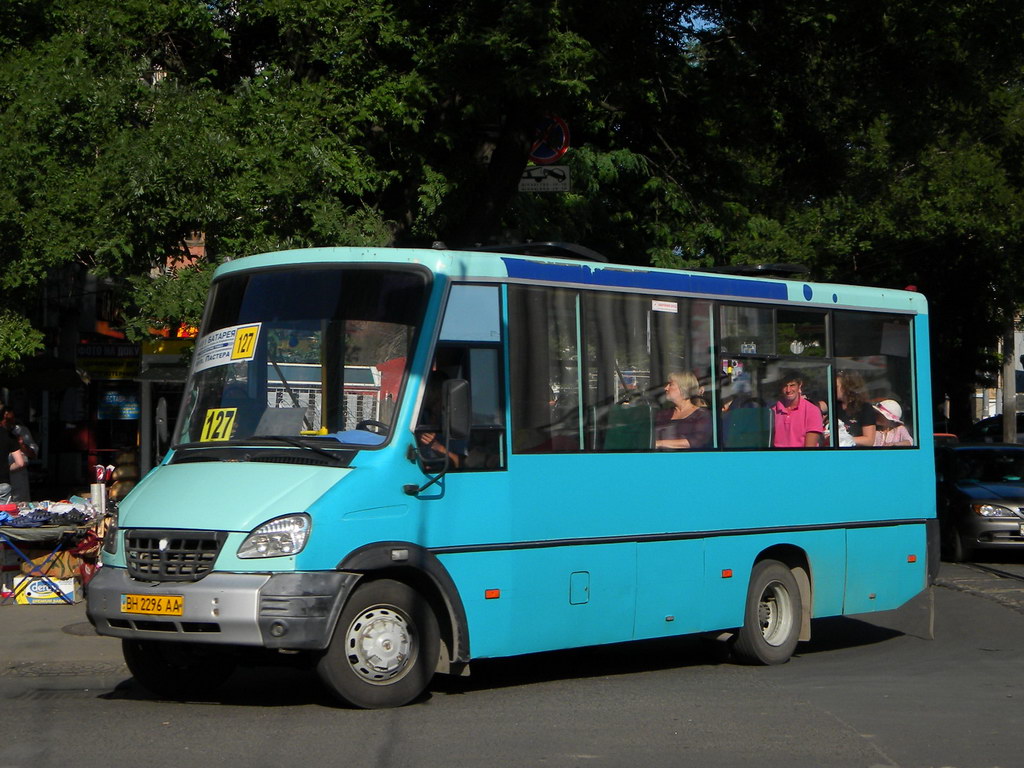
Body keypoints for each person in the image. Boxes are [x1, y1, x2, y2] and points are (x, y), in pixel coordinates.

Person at [655, 371, 711, 450]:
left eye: (671, 384)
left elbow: (696, 441)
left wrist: (660, 443)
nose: (666, 388)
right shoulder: (663, 414)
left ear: (683, 388)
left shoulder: (701, 415)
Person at [772, 373, 824, 448]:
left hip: (801, 458)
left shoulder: (812, 411)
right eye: (785, 386)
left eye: (792, 385)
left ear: (799, 386)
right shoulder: (772, 411)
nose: (788, 390)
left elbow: (810, 449)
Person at [2, 407, 37, 502]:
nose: (9, 422)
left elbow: (33, 454)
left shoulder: (21, 431)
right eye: (6, 419)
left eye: (12, 419)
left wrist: (21, 444)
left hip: (19, 479)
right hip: (4, 479)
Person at [836, 370, 876, 447]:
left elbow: (869, 440)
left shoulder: (865, 408)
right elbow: (818, 406)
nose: (833, 389)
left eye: (836, 387)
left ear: (847, 387)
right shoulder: (833, 405)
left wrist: (846, 440)